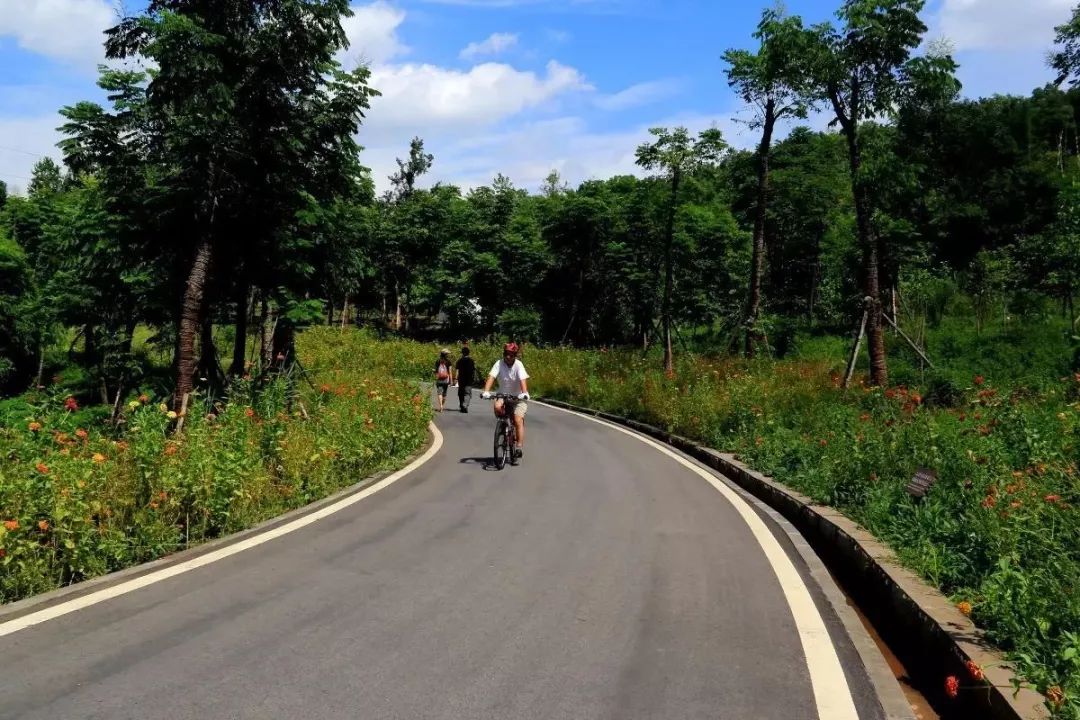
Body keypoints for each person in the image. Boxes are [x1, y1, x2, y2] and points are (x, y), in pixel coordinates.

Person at [482, 343, 530, 458]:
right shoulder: (499, 363)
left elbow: (523, 380)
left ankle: (518, 446)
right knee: (497, 407)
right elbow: (491, 377)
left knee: (518, 420)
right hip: (503, 395)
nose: (508, 357)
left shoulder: (519, 365)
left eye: (511, 355)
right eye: (506, 354)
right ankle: (503, 426)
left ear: (515, 355)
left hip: (518, 397)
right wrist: (486, 392)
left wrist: (524, 393)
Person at [455, 345, 477, 413]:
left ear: (462, 353)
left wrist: (455, 378)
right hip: (469, 380)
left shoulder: (459, 360)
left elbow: (457, 370)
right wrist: (475, 378)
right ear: (468, 353)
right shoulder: (471, 361)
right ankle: (465, 405)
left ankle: (462, 405)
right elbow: (474, 370)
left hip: (461, 379)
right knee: (467, 393)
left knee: (461, 393)